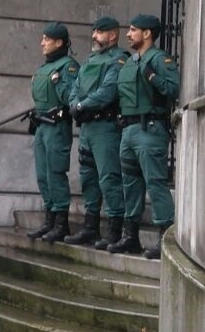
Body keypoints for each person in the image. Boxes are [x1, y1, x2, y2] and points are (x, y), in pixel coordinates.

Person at [110, 14, 182, 258]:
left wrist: (152, 76)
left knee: (155, 183)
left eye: (133, 30)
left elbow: (173, 89)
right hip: (128, 132)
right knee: (130, 184)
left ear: (147, 33)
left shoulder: (160, 59)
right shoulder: (129, 62)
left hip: (149, 130)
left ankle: (166, 240)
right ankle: (131, 237)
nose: (128, 35)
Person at [65, 17, 130, 250]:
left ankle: (114, 229)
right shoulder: (90, 59)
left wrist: (81, 106)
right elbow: (75, 87)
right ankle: (90, 227)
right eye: (93, 32)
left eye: (99, 33)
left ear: (113, 35)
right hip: (87, 128)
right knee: (88, 178)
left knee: (108, 177)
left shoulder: (119, 59)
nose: (94, 36)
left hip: (105, 128)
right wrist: (74, 103)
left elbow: (108, 92)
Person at [26, 22, 78, 243]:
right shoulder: (42, 69)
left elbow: (70, 97)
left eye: (47, 39)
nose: (42, 43)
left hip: (57, 127)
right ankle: (49, 219)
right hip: (42, 126)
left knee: (55, 173)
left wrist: (58, 83)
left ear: (59, 42)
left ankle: (61, 223)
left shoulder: (68, 67)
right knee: (42, 175)